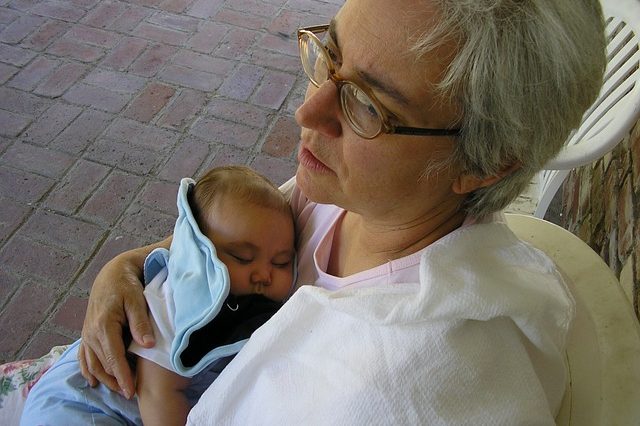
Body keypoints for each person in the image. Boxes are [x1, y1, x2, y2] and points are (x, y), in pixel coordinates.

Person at [23, 0, 607, 423]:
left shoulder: (407, 391)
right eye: (331, 53)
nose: (310, 110)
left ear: (484, 165)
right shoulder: (349, 203)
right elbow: (225, 251)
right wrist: (122, 271)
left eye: (367, 105)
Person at [20, 166, 296, 425]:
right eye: (242, 257)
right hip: (80, 404)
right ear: (199, 252)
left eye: (281, 262)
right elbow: (157, 393)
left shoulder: (244, 289)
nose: (263, 274)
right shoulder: (177, 304)